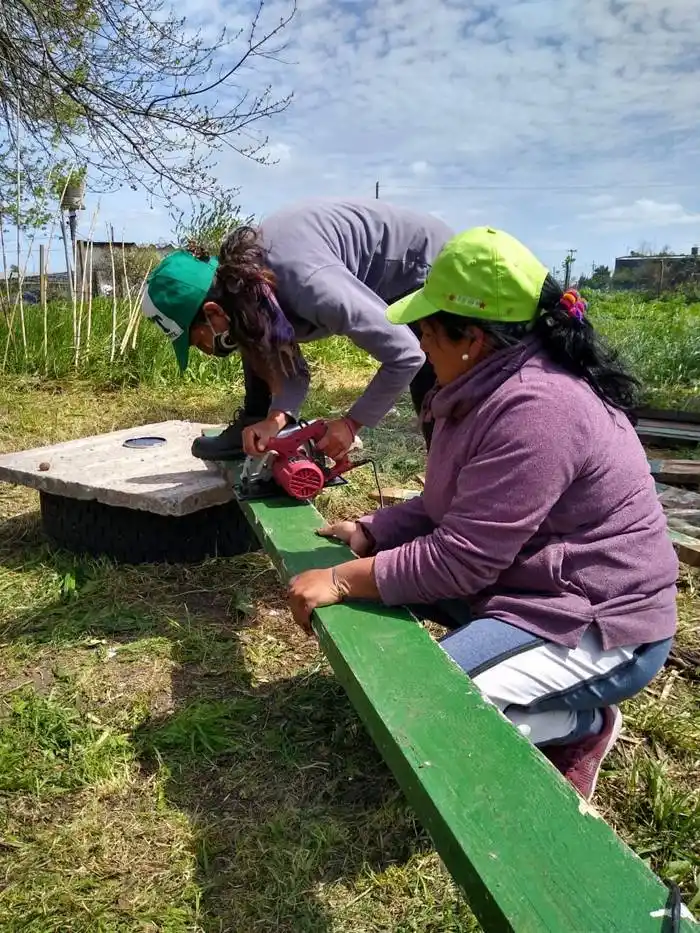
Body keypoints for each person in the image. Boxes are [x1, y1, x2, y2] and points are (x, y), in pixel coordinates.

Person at [287, 226, 678, 802]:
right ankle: (520, 680)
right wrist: (374, 531)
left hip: (595, 619)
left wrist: (343, 580)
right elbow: (456, 509)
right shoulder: (480, 388)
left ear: (470, 337)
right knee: (402, 665)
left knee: (422, 705)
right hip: (528, 582)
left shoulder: (538, 408)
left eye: (427, 330)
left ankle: (580, 728)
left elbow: (461, 559)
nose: (420, 343)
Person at [142, 199, 453, 461]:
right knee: (246, 330)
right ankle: (254, 419)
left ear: (212, 312)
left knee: (435, 392)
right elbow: (272, 346)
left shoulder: (309, 285)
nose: (205, 351)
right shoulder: (244, 286)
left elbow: (406, 354)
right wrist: (276, 418)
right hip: (363, 266)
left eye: (198, 341)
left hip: (426, 264)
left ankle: (455, 497)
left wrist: (350, 423)